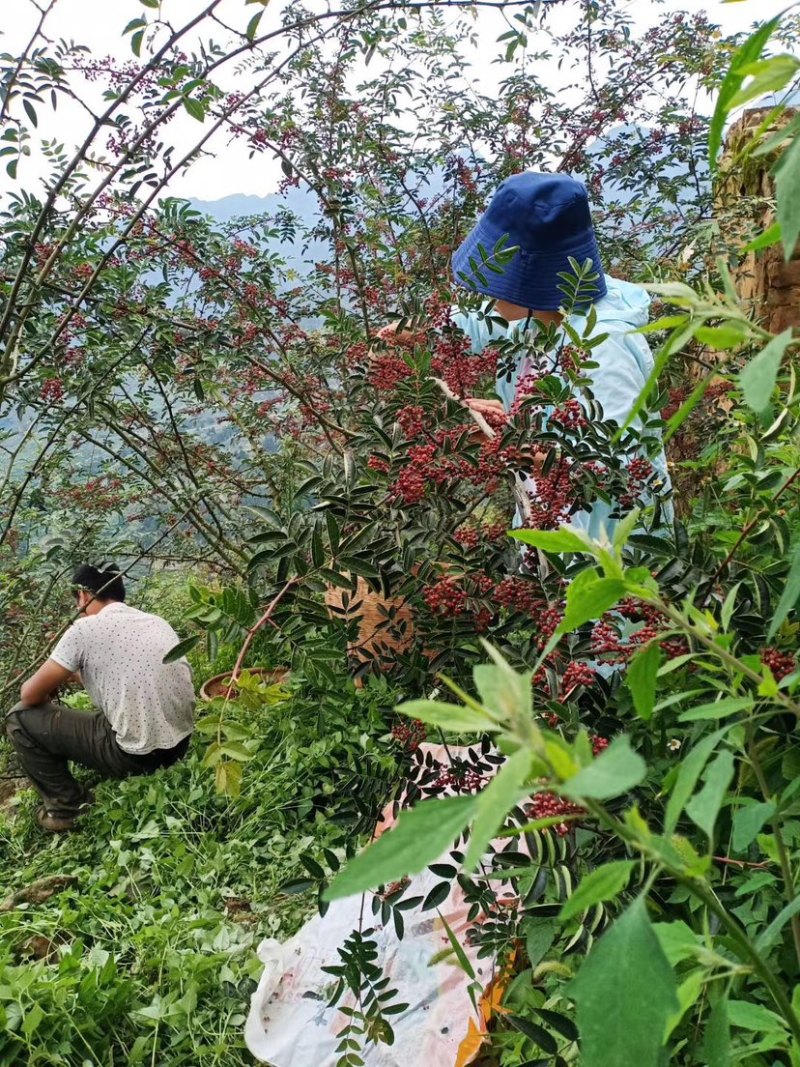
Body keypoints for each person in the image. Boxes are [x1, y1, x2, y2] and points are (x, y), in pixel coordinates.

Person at [380, 170, 672, 538]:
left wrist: (509, 443)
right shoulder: (544, 313)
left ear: (537, 281)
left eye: (500, 281)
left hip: (610, 553)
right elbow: (481, 322)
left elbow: (615, 474)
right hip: (545, 527)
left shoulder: (605, 348)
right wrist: (416, 330)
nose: (489, 294)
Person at [5, 564, 195, 832]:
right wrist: (75, 674)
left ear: (83, 596)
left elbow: (29, 695)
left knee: (19, 718)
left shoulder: (83, 630)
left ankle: (67, 809)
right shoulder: (155, 621)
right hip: (180, 746)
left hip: (137, 757)